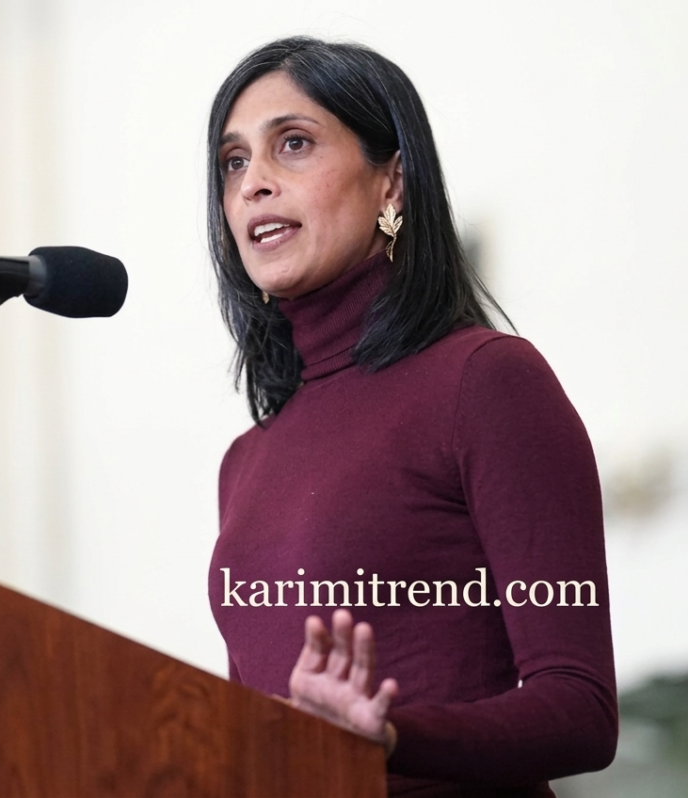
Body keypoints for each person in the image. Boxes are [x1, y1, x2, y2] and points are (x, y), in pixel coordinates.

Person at [205, 37, 617, 797]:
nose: (253, 182)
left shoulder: (487, 382)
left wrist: (390, 738)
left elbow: (582, 709)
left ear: (392, 182)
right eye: (233, 162)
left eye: (292, 144)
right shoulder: (245, 460)